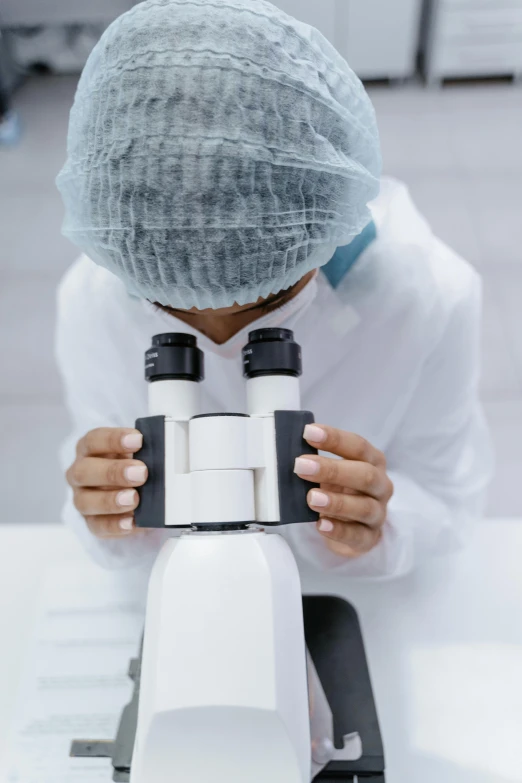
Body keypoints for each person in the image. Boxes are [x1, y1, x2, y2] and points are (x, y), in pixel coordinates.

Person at [55, 0, 493, 577]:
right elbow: (100, 508)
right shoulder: (94, 296)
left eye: (265, 303)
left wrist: (383, 522)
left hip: (361, 599)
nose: (221, 343)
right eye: (169, 307)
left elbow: (450, 506)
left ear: (321, 228)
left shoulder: (430, 296)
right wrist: (106, 511)